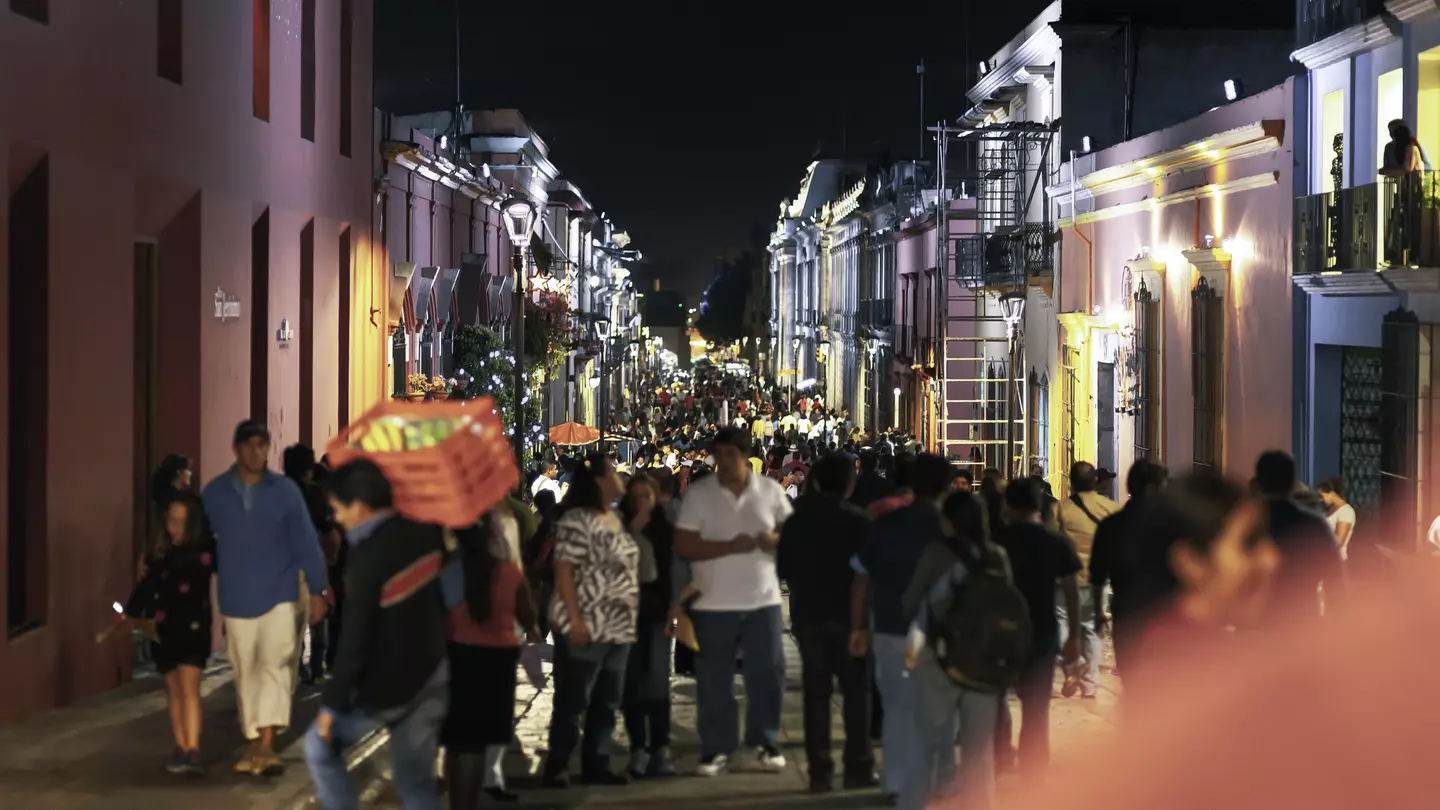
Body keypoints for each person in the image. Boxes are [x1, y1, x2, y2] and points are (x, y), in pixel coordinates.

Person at [304, 459, 449, 810]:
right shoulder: (426, 534)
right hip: (433, 675)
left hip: (391, 684)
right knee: (415, 785)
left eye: (338, 508)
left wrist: (332, 705)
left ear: (359, 505)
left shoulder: (368, 555)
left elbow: (355, 636)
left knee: (319, 746)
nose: (336, 518)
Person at [203, 420, 329, 776]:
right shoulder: (215, 494)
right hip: (237, 596)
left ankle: (266, 743)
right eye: (250, 445)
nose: (257, 452)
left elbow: (305, 541)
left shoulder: (285, 492)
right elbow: (201, 543)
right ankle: (254, 735)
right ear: (237, 449)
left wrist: (318, 588)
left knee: (275, 664)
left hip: (280, 593)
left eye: (263, 445)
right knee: (246, 668)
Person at [676, 427, 792, 777]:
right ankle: (716, 747)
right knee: (714, 678)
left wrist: (773, 539)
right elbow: (685, 544)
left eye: (730, 455)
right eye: (719, 454)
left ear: (745, 456)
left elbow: (791, 534)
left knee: (768, 673)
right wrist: (728, 547)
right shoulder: (700, 495)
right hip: (714, 601)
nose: (723, 462)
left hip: (763, 599)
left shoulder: (770, 491)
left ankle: (766, 740)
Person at [852, 454, 955, 802]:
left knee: (897, 709)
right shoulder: (951, 527)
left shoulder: (886, 524)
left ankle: (896, 780)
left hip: (891, 629)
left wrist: (858, 627)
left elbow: (861, 580)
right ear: (946, 486)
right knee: (940, 712)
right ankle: (940, 781)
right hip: (938, 635)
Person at [777, 455, 875, 793]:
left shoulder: (797, 520)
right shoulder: (860, 522)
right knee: (855, 695)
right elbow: (870, 574)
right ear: (849, 485)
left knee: (816, 696)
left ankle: (820, 772)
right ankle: (857, 767)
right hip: (851, 618)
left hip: (809, 616)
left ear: (815, 482)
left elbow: (782, 568)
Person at [902, 491, 1005, 810]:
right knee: (979, 750)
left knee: (927, 740)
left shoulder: (935, 553)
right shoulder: (996, 555)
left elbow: (910, 603)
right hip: (983, 662)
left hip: (939, 659)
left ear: (948, 522)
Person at [542, 454, 639, 788]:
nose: (618, 475)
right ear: (598, 480)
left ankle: (596, 762)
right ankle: (558, 762)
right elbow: (564, 569)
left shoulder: (613, 516)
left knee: (607, 699)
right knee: (574, 697)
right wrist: (574, 618)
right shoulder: (576, 520)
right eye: (612, 470)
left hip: (617, 624)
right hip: (586, 621)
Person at [444, 509, 539, 808]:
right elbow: (528, 615)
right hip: (497, 661)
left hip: (457, 657)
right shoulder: (507, 572)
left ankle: (455, 802)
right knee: (478, 743)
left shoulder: (448, 570)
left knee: (458, 742)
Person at [996, 477, 1082, 781]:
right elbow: (1071, 590)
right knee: (1036, 706)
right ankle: (1033, 769)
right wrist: (1074, 635)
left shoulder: (997, 540)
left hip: (1000, 632)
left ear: (1008, 505)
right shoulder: (1056, 541)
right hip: (1042, 631)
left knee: (996, 699)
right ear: (1039, 506)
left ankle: (1002, 756)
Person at [125, 492, 215, 775]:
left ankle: (192, 748)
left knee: (189, 687)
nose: (176, 527)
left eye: (182, 522)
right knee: (173, 688)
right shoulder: (160, 555)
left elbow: (183, 574)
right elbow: (146, 587)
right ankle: (180, 745)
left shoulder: (201, 553)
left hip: (193, 627)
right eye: (172, 521)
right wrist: (131, 612)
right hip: (163, 629)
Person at [618, 474, 678, 779]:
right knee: (630, 682)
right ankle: (638, 746)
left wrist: (673, 608)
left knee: (656, 678)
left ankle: (661, 746)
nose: (642, 501)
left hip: (655, 613)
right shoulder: (619, 526)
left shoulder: (664, 528)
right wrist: (632, 531)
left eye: (647, 496)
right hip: (625, 613)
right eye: (637, 496)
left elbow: (669, 572)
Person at [1089, 459, 1169, 674]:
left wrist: (1099, 613)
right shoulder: (1170, 524)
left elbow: (1097, 575)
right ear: (1152, 488)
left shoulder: (1111, 525)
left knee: (1131, 675)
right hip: (1164, 615)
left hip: (1126, 612)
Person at [1252, 451, 1343, 621]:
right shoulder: (1314, 525)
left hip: (1256, 626)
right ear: (1292, 482)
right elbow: (1335, 581)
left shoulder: (1246, 527)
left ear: (1259, 481)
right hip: (1301, 621)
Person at [1054, 461, 1118, 699]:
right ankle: (1090, 683)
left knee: (1062, 624)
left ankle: (1075, 664)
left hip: (1066, 578)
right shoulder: (1110, 508)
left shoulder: (1060, 510)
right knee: (1092, 630)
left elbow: (1052, 543)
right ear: (1094, 481)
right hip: (1096, 577)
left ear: (1071, 481)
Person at [1316, 477, 1356, 562]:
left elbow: (1338, 542)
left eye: (1322, 496)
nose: (1321, 500)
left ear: (1332, 493)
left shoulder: (1346, 511)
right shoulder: (1328, 510)